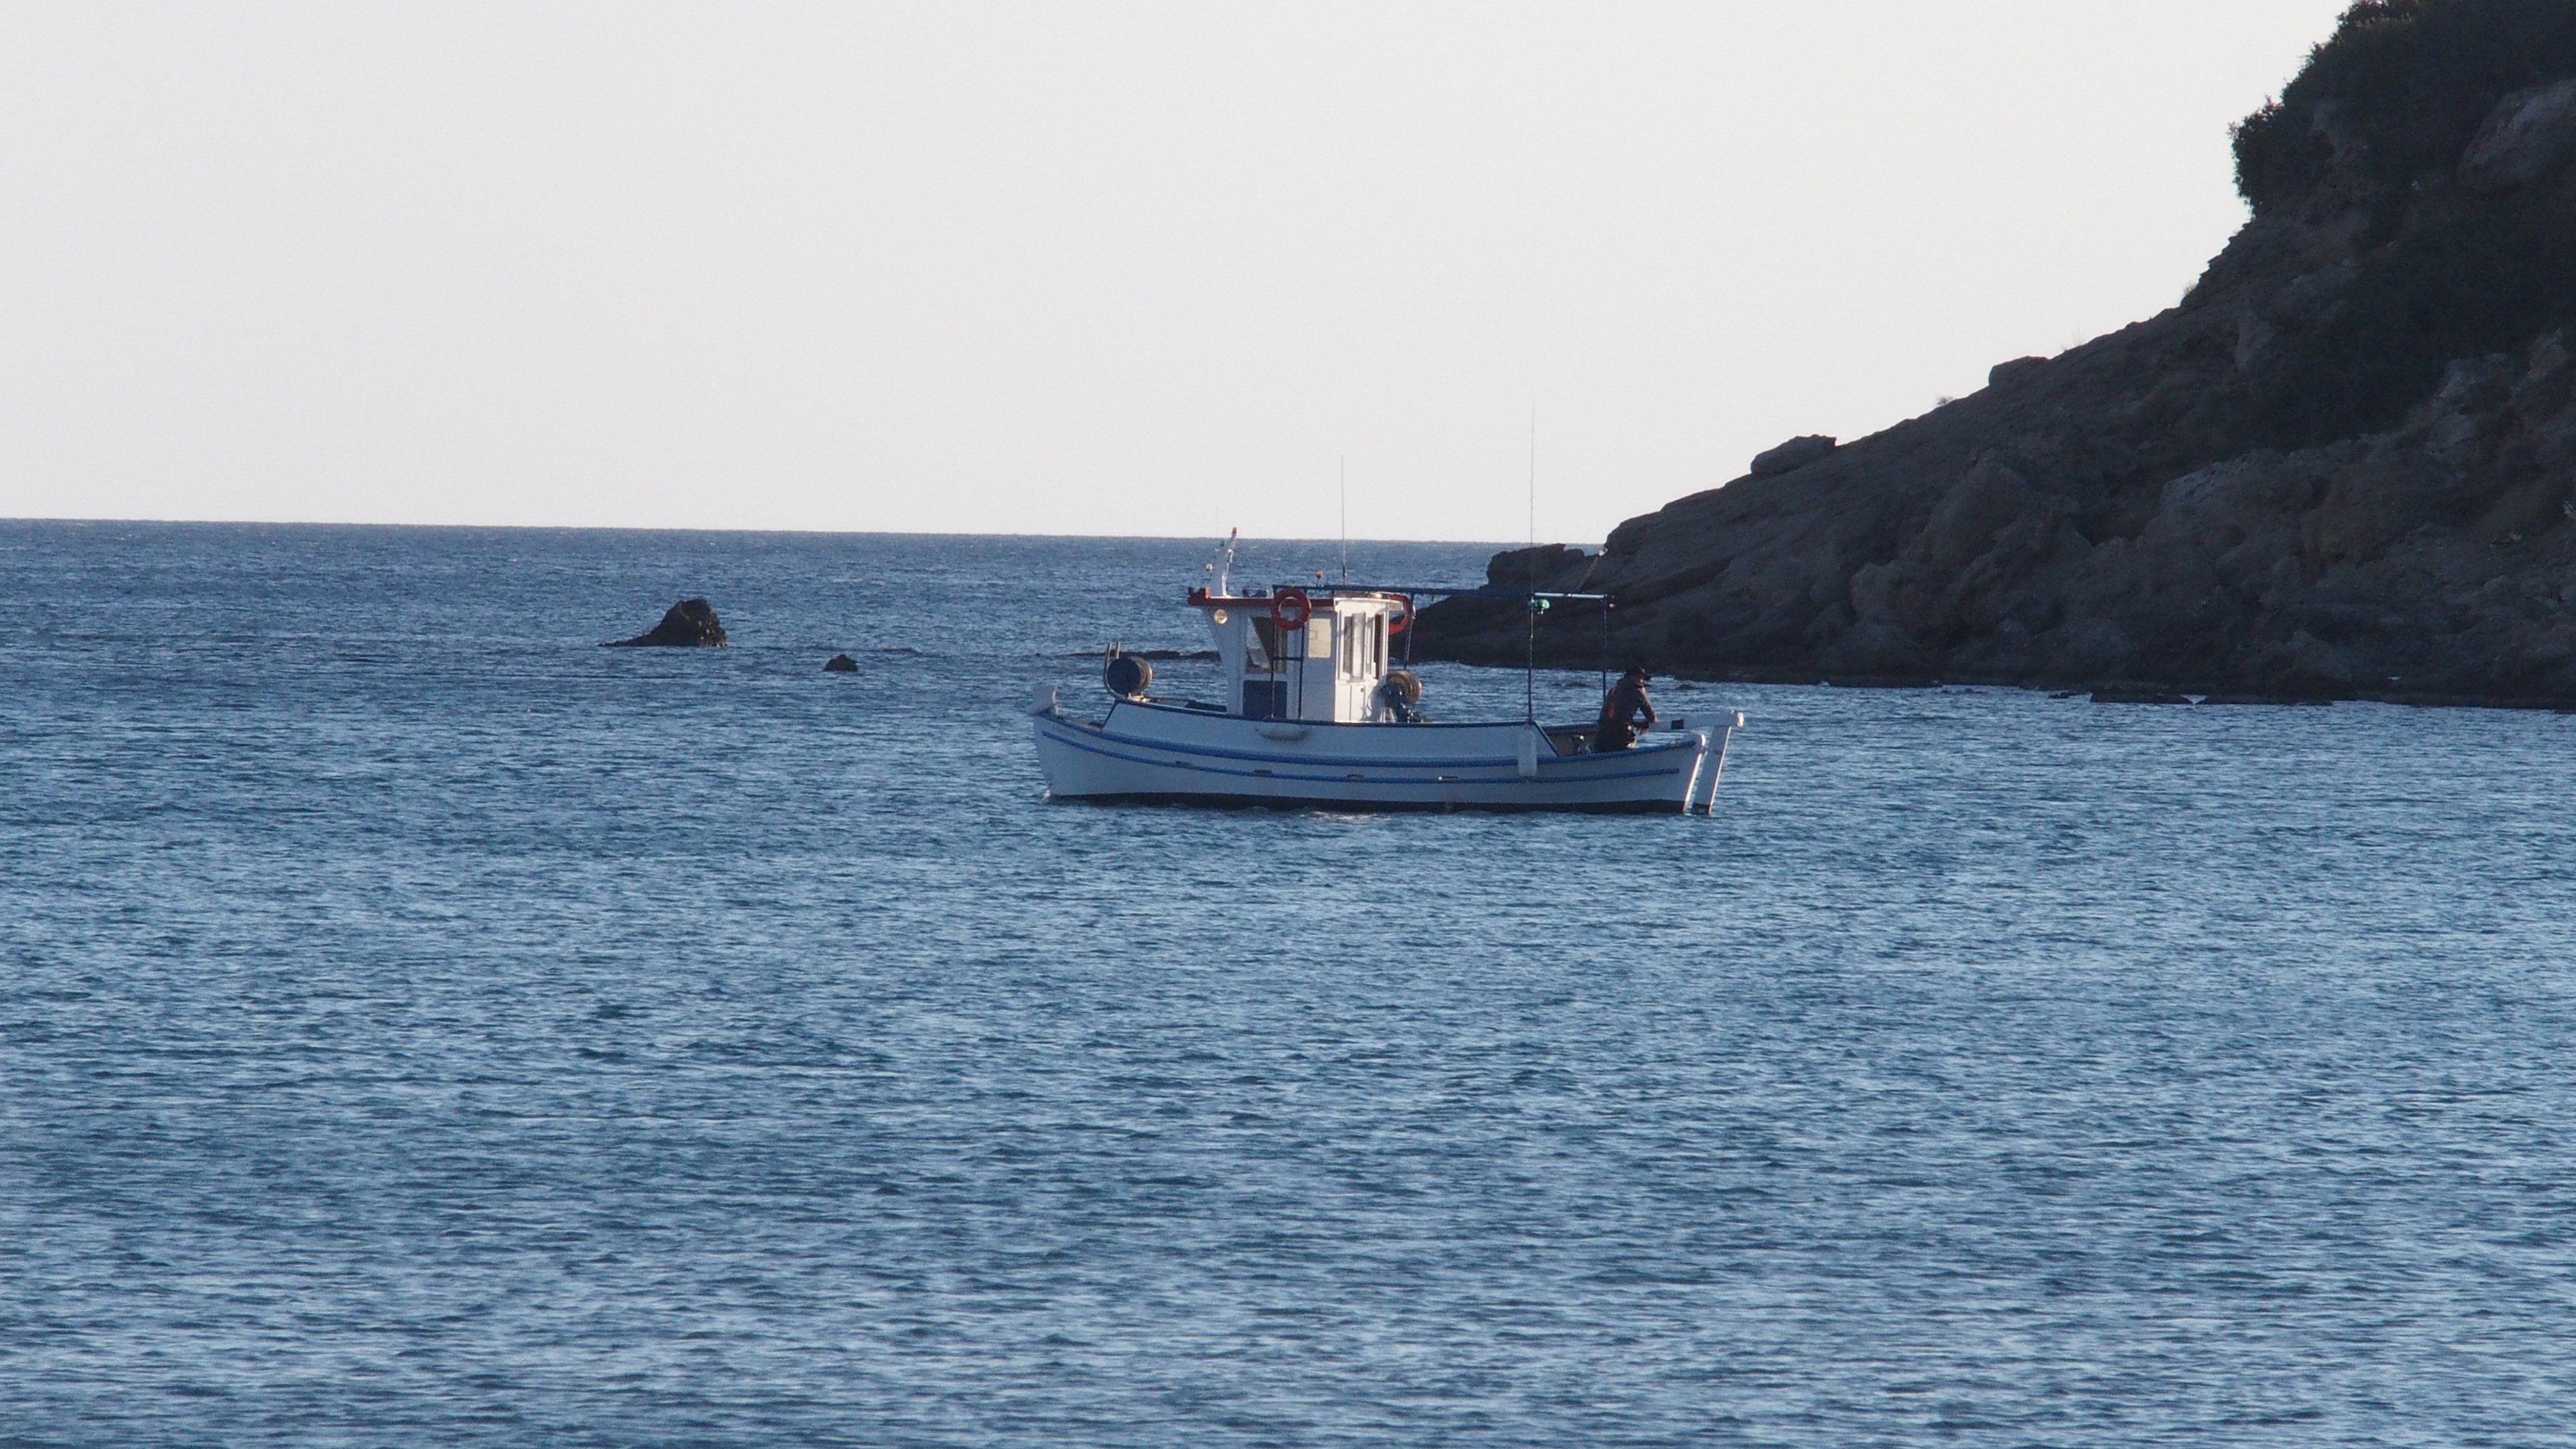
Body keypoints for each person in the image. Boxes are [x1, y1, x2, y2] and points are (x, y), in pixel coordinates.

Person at [1594, 665, 1656, 750]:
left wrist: (1635, 723)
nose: (1643, 682)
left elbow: (1615, 715)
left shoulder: (1613, 690)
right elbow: (1652, 717)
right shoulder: (1638, 691)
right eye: (1642, 679)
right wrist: (1645, 724)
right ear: (1636, 677)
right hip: (1621, 736)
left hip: (1601, 733)